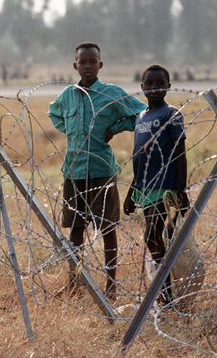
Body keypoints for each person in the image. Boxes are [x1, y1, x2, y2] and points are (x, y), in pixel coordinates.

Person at [48, 42, 147, 300]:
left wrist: (114, 128)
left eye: (93, 62)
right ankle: (74, 281)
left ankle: (111, 285)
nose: (88, 66)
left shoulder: (110, 93)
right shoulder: (68, 95)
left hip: (101, 169)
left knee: (106, 228)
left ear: (100, 65)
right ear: (75, 66)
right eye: (83, 62)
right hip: (73, 170)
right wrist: (72, 131)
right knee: (75, 229)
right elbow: (54, 113)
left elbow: (141, 114)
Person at [123, 64, 188, 304]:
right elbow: (140, 158)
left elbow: (180, 151)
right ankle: (167, 289)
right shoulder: (141, 116)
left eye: (160, 83)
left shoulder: (171, 114)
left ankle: (166, 292)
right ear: (141, 87)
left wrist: (182, 190)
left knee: (152, 236)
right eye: (149, 84)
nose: (154, 88)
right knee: (156, 239)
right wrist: (132, 190)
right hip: (145, 187)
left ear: (169, 86)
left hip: (166, 186)